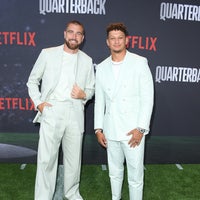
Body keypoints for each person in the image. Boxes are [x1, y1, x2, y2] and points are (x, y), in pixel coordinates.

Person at [27, 20, 95, 200]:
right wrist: (39, 103)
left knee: (74, 160)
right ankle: (43, 197)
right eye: (71, 32)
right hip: (52, 109)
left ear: (82, 37)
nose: (74, 36)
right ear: (65, 34)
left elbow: (91, 89)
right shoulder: (47, 54)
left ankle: (72, 193)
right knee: (46, 159)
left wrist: (83, 94)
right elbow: (32, 81)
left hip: (75, 112)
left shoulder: (87, 61)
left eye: (78, 33)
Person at [94, 23, 154, 200]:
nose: (116, 41)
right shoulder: (102, 67)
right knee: (114, 172)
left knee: (135, 176)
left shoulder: (139, 62)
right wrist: (98, 129)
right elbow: (100, 101)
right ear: (107, 42)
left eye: (120, 38)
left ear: (126, 40)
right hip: (110, 129)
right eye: (113, 38)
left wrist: (141, 129)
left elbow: (147, 98)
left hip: (132, 131)